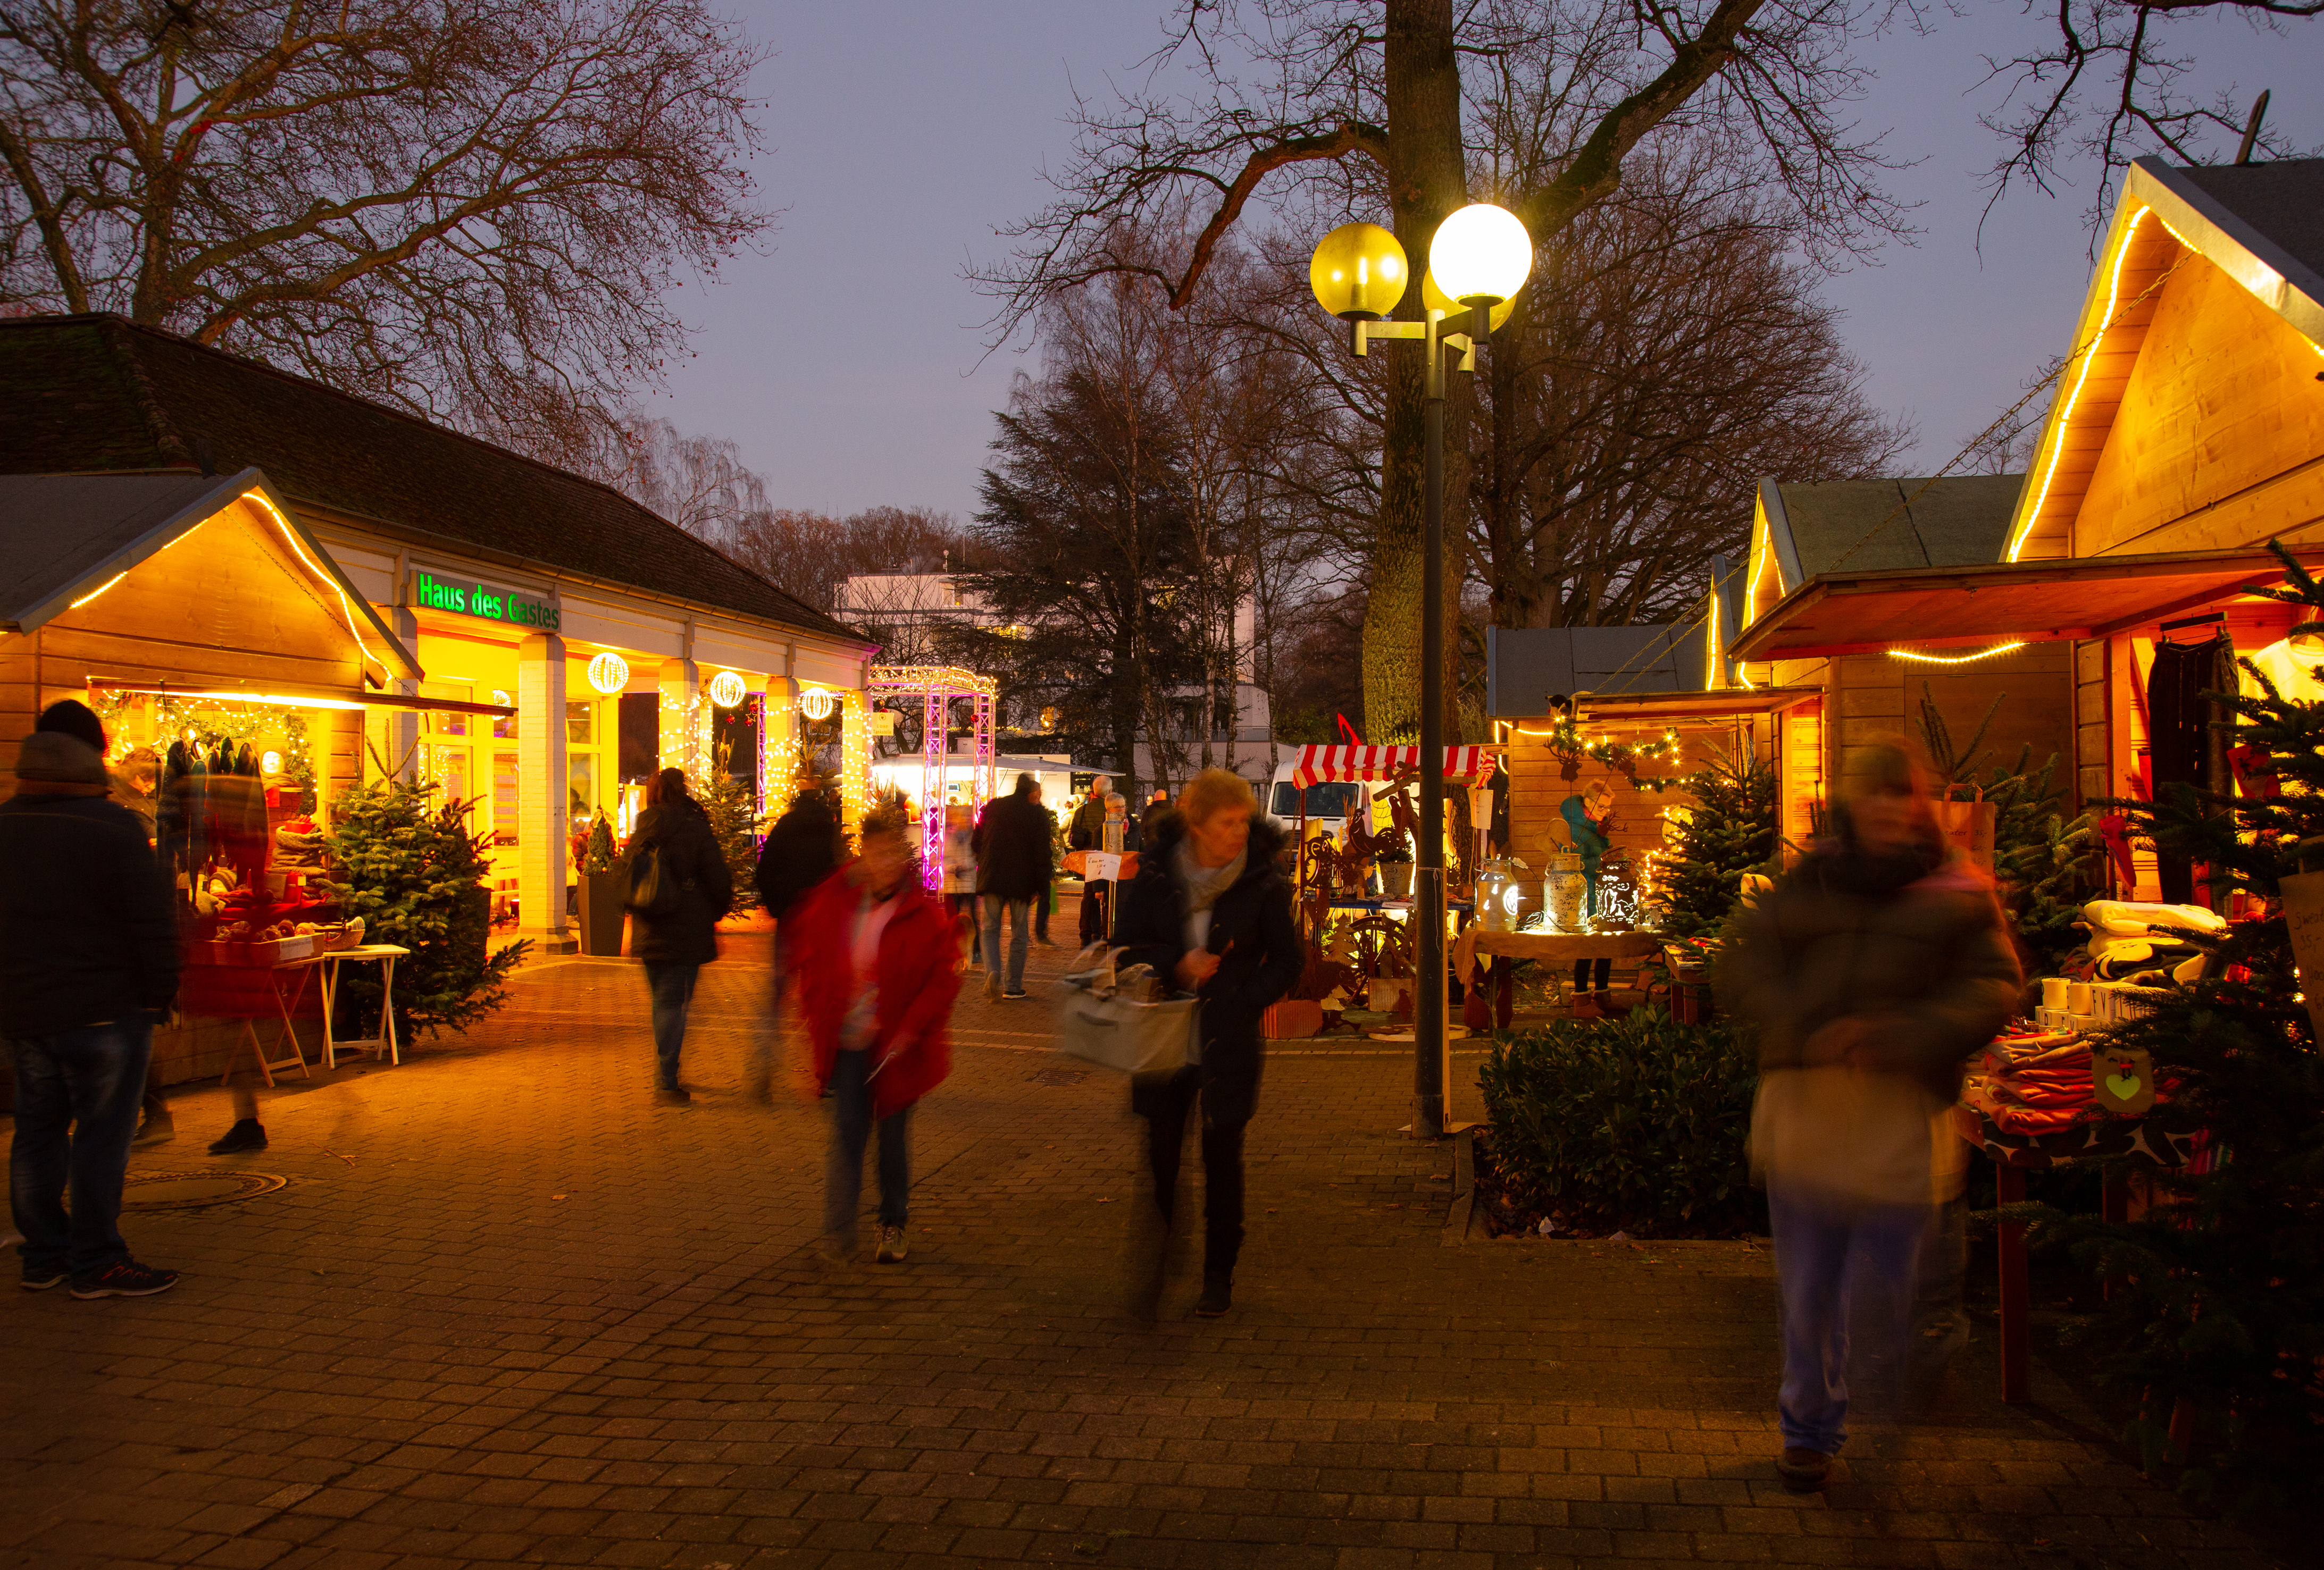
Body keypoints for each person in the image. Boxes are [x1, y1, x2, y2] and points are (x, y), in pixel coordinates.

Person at [1716, 741, 2019, 1493]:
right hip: (1809, 1114)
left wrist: (1905, 1037)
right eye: (1874, 794)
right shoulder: (1809, 881)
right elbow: (1743, 962)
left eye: (1900, 794)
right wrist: (1801, 1024)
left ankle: (1900, 1400)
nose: (1886, 808)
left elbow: (1992, 984)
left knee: (1896, 1285)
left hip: (1898, 1115)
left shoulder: (1956, 891)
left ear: (1918, 804)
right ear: (1855, 804)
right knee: (1811, 1287)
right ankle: (1809, 1430)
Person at [3, 701, 182, 1298]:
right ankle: (97, 1258)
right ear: (93, 757)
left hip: (26, 1011)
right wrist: (161, 993)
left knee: (36, 1131)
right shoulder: (112, 826)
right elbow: (149, 919)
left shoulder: (5, 824)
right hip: (106, 1009)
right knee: (103, 1136)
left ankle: (43, 1256)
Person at [1112, 768, 1301, 1319]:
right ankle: (1155, 1263)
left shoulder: (1261, 881)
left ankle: (1218, 1276)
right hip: (1161, 1038)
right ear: (1196, 825)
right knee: (1161, 1159)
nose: (1239, 832)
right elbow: (1125, 949)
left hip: (1227, 1040)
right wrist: (1176, 963)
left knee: (1223, 1160)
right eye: (1228, 822)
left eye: (1244, 821)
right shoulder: (1152, 875)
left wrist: (1242, 998)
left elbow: (1288, 960)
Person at [788, 801, 957, 1265]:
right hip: (849, 1041)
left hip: (897, 1047)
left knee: (892, 1138)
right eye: (875, 853)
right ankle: (840, 1229)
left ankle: (892, 1221)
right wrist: (816, 1011)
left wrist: (909, 1029)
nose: (883, 863)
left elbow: (942, 978)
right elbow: (811, 960)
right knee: (847, 1132)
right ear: (863, 853)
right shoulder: (835, 899)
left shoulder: (922, 912)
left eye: (891, 854)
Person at [628, 767, 733, 1104]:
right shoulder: (695, 827)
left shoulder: (644, 827)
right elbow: (719, 879)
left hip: (649, 927)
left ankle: (666, 1071)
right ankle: (667, 1079)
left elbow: (627, 875)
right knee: (673, 1002)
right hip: (686, 929)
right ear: (683, 790)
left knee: (662, 1000)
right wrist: (711, 914)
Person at [751, 786, 842, 1104]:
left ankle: (763, 1067)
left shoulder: (784, 827)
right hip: (822, 923)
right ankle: (828, 1077)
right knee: (823, 1000)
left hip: (790, 919)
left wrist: (778, 905)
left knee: (776, 997)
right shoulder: (829, 830)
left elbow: (763, 872)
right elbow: (837, 873)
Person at [972, 773, 1052, 1002]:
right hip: (1022, 882)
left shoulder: (994, 806)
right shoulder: (1037, 814)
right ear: (1031, 793)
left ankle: (993, 972)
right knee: (1019, 934)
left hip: (993, 878)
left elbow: (976, 840)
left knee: (989, 930)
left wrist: (984, 861)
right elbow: (1042, 853)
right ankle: (1013, 987)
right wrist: (1040, 886)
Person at [1561, 782, 1616, 995]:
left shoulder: (1593, 827)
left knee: (1605, 947)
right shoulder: (1576, 829)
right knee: (1587, 949)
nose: (1605, 812)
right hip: (1586, 896)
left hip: (1599, 894)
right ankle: (1582, 998)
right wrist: (1604, 863)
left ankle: (1602, 994)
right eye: (1601, 807)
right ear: (1588, 803)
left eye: (1608, 807)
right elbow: (1576, 865)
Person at [1069, 775, 1116, 946]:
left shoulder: (1081, 811)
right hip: (1108, 858)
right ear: (1110, 791)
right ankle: (1105, 934)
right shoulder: (1110, 811)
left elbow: (1074, 835)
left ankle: (1086, 936)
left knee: (1089, 897)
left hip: (1088, 858)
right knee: (1108, 897)